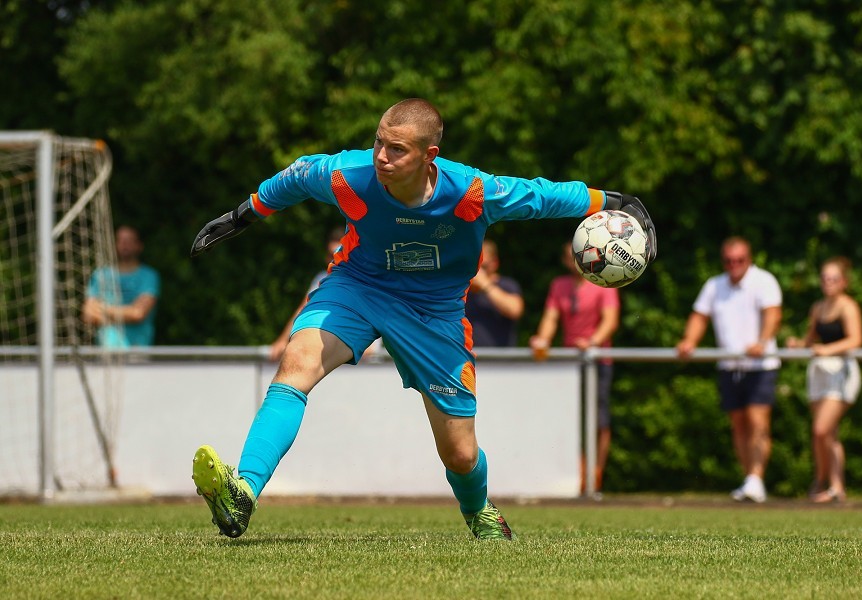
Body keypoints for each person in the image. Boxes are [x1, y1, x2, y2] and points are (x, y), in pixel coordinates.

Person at [188, 98, 656, 540]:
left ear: (430, 155)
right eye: (378, 143)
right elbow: (296, 175)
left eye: (397, 149)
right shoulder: (349, 176)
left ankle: (479, 511)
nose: (382, 157)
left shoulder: (471, 192)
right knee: (297, 362)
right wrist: (243, 214)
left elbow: (540, 196)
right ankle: (242, 492)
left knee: (459, 452)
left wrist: (611, 200)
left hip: (435, 314)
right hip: (359, 287)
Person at [676, 236, 782, 503]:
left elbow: (773, 315)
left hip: (760, 365)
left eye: (740, 260)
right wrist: (689, 341)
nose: (734, 265)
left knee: (758, 422)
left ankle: (756, 478)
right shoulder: (714, 285)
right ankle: (750, 479)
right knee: (738, 424)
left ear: (749, 259)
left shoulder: (764, 281)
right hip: (729, 365)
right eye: (728, 260)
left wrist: (762, 342)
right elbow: (699, 316)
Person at [529, 242, 620, 500]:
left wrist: (592, 342)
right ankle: (579, 475)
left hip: (597, 361)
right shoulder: (559, 286)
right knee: (571, 421)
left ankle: (596, 474)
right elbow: (551, 318)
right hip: (570, 365)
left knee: (599, 421)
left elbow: (610, 321)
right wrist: (542, 339)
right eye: (572, 257)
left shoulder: (605, 281)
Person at [786, 257, 862, 503]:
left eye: (833, 278)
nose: (828, 282)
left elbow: (855, 340)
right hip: (819, 374)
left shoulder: (848, 307)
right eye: (824, 278)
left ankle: (826, 483)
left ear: (844, 282)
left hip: (840, 374)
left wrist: (826, 350)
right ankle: (831, 486)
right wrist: (798, 344)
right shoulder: (818, 307)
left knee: (821, 430)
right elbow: (810, 341)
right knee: (827, 433)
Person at [269, 227, 345, 361]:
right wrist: (283, 341)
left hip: (364, 364)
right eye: (330, 255)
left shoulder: (363, 282)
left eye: (337, 256)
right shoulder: (322, 279)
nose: (332, 262)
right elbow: (303, 308)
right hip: (330, 356)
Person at [82, 225, 160, 347]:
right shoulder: (100, 275)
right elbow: (89, 315)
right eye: (121, 240)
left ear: (139, 245)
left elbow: (138, 313)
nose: (124, 244)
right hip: (105, 353)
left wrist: (103, 309)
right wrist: (126, 313)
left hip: (137, 352)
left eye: (129, 240)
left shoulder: (149, 276)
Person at [464, 239, 524, 347]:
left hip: (500, 359)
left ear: (495, 263)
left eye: (483, 266)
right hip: (466, 359)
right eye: (475, 266)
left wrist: (486, 285)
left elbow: (515, 310)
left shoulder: (507, 285)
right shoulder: (461, 289)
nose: (478, 272)